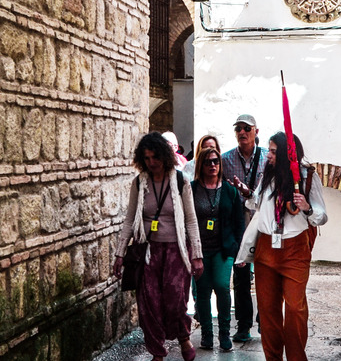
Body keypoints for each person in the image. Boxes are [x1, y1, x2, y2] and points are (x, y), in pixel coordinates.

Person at [113, 132, 204, 361]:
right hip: (148, 250)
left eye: (155, 157)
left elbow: (191, 220)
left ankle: (183, 335)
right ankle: (157, 353)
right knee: (148, 303)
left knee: (175, 300)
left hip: (177, 250)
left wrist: (197, 255)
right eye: (146, 158)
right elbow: (129, 218)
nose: (151, 163)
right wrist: (120, 253)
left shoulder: (181, 181)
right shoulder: (139, 183)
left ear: (164, 156)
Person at [242, 132, 327, 361]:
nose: (268, 155)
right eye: (268, 150)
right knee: (268, 314)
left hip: (295, 250)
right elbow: (257, 204)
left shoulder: (306, 176)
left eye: (273, 151)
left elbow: (321, 215)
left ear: (286, 154)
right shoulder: (268, 174)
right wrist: (248, 194)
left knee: (295, 311)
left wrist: (307, 207)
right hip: (266, 248)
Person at [191, 147, 245, 351]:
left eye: (215, 161)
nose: (213, 165)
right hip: (201, 250)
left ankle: (224, 332)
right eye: (208, 162)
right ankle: (206, 333)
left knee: (222, 286)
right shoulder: (193, 188)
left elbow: (238, 222)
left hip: (223, 249)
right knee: (203, 291)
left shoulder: (229, 191)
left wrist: (239, 250)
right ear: (201, 165)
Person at [221, 114, 268, 342]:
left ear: (255, 131)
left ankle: (264, 319)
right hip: (238, 221)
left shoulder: (268, 158)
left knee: (263, 271)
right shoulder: (225, 159)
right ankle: (243, 324)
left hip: (261, 221)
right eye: (238, 128)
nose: (242, 132)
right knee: (240, 274)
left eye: (247, 128)